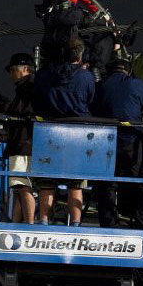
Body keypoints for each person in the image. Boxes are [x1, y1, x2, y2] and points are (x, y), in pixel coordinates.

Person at [91, 59, 143, 230]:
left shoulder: (99, 87)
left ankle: (108, 224)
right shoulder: (136, 84)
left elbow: (91, 109)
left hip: (104, 145)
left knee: (105, 185)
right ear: (127, 71)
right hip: (131, 143)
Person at [33, 38, 95, 226]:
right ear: (80, 55)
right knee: (75, 182)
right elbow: (91, 99)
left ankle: (43, 218)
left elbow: (36, 99)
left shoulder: (45, 75)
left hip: (48, 131)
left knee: (47, 180)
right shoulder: (86, 77)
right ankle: (76, 222)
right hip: (77, 134)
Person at [3, 53, 36, 224]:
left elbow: (24, 109)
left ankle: (30, 225)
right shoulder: (28, 85)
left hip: (23, 144)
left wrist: (4, 106)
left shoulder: (29, 86)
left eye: (13, 70)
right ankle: (16, 224)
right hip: (22, 143)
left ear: (24, 69)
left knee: (23, 186)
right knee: (18, 187)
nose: (11, 74)